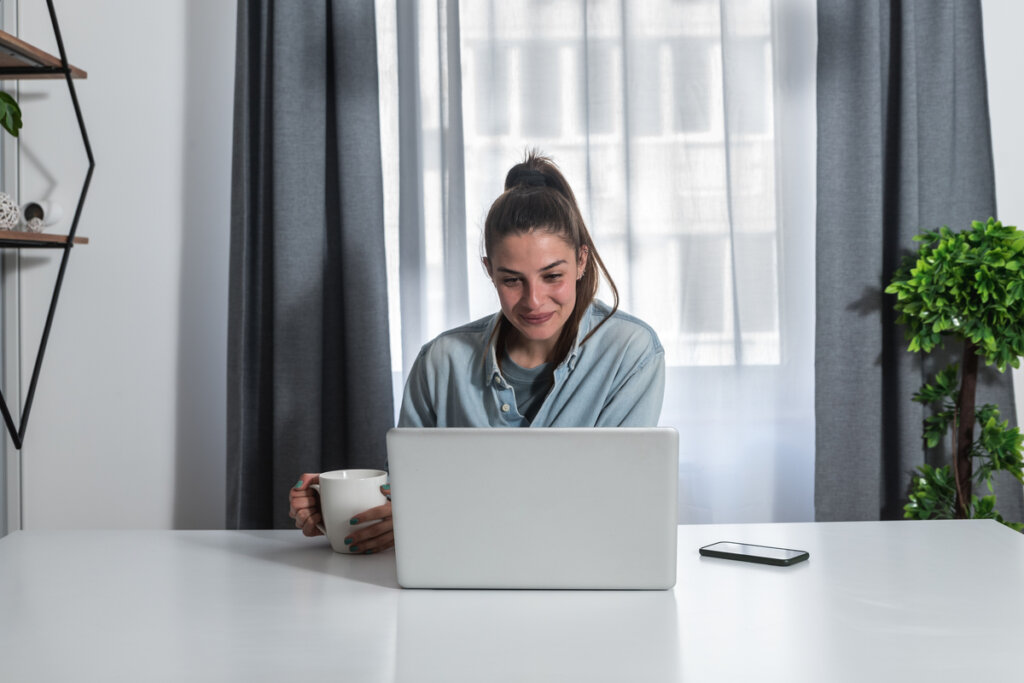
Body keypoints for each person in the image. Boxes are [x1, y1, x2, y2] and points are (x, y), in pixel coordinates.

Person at [289, 151, 665, 553]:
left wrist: (432, 514)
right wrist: (339, 512)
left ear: (581, 262)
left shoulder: (632, 353)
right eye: (511, 280)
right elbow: (406, 497)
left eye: (552, 276)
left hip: (579, 574)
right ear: (489, 271)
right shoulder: (440, 362)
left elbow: (607, 503)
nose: (534, 301)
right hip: (456, 584)